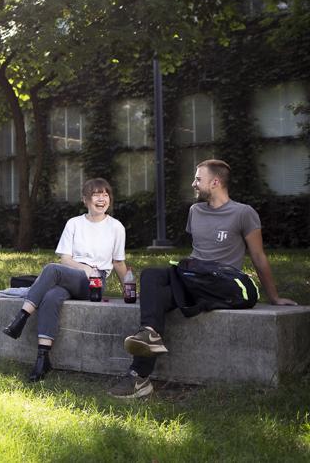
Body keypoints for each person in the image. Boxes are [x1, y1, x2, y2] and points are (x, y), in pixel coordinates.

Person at [109, 159, 297, 399]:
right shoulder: (195, 211)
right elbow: (200, 250)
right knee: (151, 276)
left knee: (158, 297)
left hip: (218, 283)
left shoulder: (243, 213)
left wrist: (274, 297)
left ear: (215, 182)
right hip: (192, 277)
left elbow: (259, 257)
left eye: (198, 179)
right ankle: (146, 346)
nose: (193, 184)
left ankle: (139, 370)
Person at [2, 178, 129, 382]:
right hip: (73, 274)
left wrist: (129, 289)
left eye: (105, 195)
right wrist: (84, 268)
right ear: (85, 199)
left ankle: (22, 317)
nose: (101, 198)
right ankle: (42, 359)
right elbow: (65, 259)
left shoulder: (116, 227)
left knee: (52, 269)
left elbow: (118, 262)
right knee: (51, 296)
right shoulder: (74, 224)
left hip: (95, 282)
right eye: (96, 194)